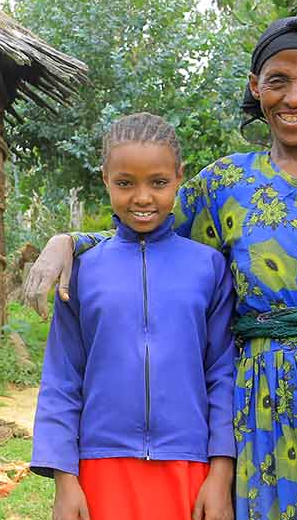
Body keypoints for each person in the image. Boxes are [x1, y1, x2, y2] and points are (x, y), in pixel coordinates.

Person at [24, 17, 297, 519]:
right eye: (277, 80)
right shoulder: (226, 184)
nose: (293, 97)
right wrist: (69, 242)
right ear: (256, 88)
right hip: (268, 411)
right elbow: (146, 225)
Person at [31, 112, 236, 520]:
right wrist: (64, 479)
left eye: (158, 183)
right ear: (105, 178)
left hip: (188, 464)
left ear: (180, 176)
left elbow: (223, 374)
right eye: (125, 183)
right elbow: (62, 377)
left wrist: (221, 473)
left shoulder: (208, 267)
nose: (142, 198)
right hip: (100, 464)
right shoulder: (83, 271)